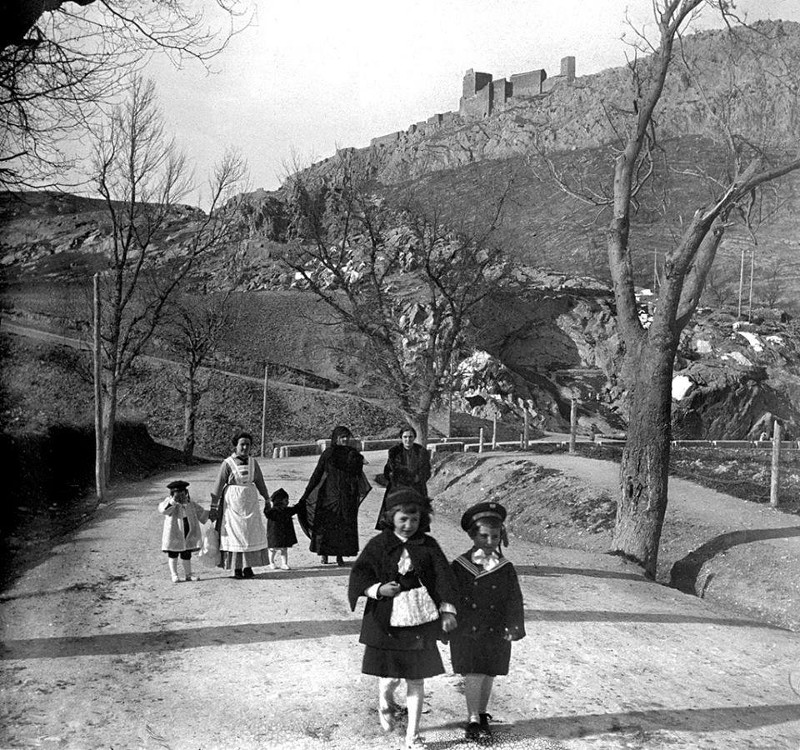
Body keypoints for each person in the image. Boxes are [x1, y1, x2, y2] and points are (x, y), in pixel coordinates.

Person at [348, 488, 458, 750]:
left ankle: (413, 736)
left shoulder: (427, 546)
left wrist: (447, 610)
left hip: (418, 619)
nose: (409, 526)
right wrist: (377, 590)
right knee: (390, 678)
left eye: (415, 520)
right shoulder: (380, 544)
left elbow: (444, 578)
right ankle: (385, 700)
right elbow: (360, 575)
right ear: (390, 517)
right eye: (403, 520)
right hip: (387, 620)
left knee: (416, 679)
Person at [448, 501, 526, 741]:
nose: (490, 542)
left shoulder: (505, 568)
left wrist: (513, 626)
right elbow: (449, 595)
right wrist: (447, 617)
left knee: (489, 672)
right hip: (467, 630)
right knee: (473, 673)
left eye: (494, 536)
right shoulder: (461, 566)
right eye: (484, 536)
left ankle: (482, 714)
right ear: (473, 536)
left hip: (495, 629)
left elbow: (514, 599)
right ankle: (472, 719)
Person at [297, 425, 371, 566]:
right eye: (342, 437)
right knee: (326, 525)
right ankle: (324, 554)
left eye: (347, 437)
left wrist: (358, 460)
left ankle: (339, 556)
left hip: (346, 496)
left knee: (343, 526)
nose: (344, 440)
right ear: (336, 438)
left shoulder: (353, 453)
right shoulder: (328, 454)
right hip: (328, 495)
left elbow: (357, 475)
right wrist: (306, 494)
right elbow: (317, 474)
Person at [209, 431, 271, 580]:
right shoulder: (227, 463)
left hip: (250, 502)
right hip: (233, 504)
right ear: (235, 446)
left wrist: (267, 499)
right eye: (242, 444)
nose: (245, 448)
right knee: (234, 533)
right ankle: (237, 568)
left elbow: (260, 482)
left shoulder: (253, 463)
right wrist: (213, 506)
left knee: (249, 533)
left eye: (247, 445)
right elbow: (218, 485)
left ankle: (248, 567)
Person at [375, 425, 432, 531]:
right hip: (397, 490)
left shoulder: (421, 452)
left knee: (415, 522)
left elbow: (426, 471)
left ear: (414, 438)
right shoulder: (394, 452)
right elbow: (388, 471)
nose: (408, 440)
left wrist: (418, 478)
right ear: (401, 438)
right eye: (405, 437)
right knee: (396, 521)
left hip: (416, 490)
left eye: (410, 437)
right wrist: (394, 477)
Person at [158, 480, 209, 583]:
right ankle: (174, 574)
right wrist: (173, 501)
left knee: (186, 553)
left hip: (188, 530)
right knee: (173, 552)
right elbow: (163, 510)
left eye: (184, 493)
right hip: (174, 531)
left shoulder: (190, 503)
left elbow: (201, 513)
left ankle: (188, 574)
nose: (182, 496)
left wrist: (212, 514)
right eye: (178, 493)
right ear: (172, 494)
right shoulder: (169, 502)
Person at [265, 487, 299, 570]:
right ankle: (271, 562)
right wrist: (267, 505)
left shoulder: (287, 510)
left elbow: (296, 509)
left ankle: (284, 563)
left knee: (284, 549)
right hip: (274, 533)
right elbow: (266, 513)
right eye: (285, 500)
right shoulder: (272, 511)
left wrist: (301, 503)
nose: (287, 502)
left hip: (283, 533)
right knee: (273, 549)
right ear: (279, 501)